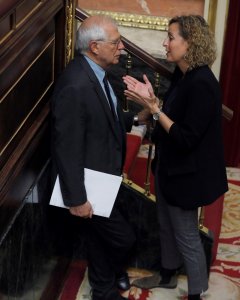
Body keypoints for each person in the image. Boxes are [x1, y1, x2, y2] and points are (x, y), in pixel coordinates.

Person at [123, 15, 228, 300]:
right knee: (166, 227)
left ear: (189, 42)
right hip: (170, 168)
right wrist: (148, 108)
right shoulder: (184, 73)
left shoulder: (203, 83)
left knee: (187, 236)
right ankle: (168, 275)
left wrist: (154, 109)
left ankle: (197, 292)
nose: (165, 43)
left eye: (170, 37)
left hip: (188, 175)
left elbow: (185, 138)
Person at [50, 15, 148, 300]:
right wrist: (77, 199)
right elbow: (66, 147)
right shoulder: (75, 85)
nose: (122, 48)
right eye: (116, 43)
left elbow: (103, 116)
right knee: (122, 238)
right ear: (94, 46)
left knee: (99, 237)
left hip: (105, 178)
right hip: (89, 186)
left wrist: (136, 117)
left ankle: (103, 288)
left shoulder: (99, 74)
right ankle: (109, 279)